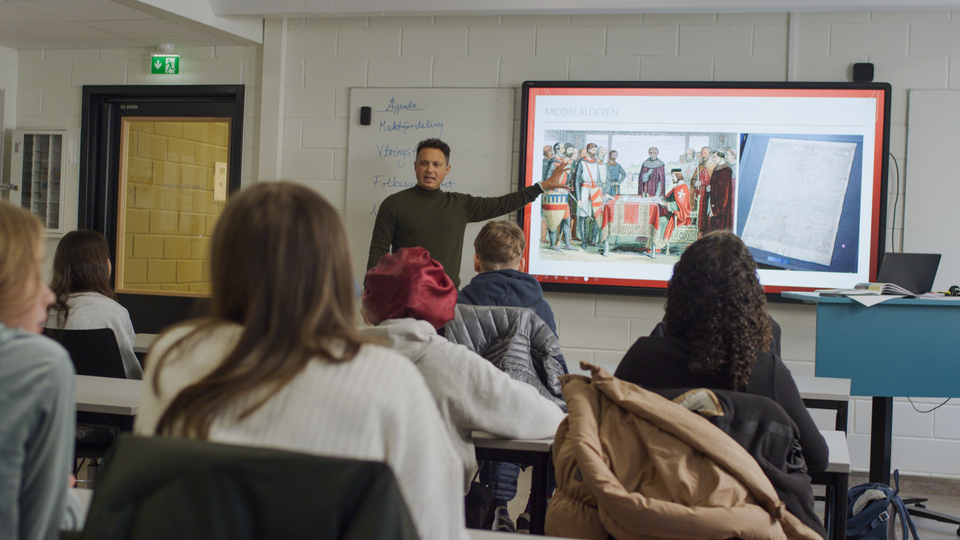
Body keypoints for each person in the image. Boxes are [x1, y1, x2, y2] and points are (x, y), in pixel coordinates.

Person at [135, 182, 468, 540]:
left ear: (223, 263)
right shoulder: (387, 377)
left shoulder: (175, 356)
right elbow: (434, 525)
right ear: (334, 270)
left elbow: (153, 505)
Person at [361, 247, 565, 531]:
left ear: (369, 304)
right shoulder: (453, 363)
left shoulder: (326, 357)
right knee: (481, 498)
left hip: (337, 516)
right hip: (425, 519)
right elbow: (549, 419)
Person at [614, 231, 828, 474]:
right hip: (743, 508)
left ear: (677, 293)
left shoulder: (644, 357)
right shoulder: (766, 372)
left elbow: (607, 434)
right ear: (750, 299)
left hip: (655, 504)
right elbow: (818, 460)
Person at [367, 138, 570, 288]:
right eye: (424, 163)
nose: (430, 169)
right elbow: (378, 252)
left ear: (447, 170)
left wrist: (541, 186)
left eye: (436, 164)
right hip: (403, 300)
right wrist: (371, 294)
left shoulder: (460, 205)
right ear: (415, 166)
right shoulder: (393, 204)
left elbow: (503, 203)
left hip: (446, 303)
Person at [0, 200, 77, 540]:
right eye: (34, 273)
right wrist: (59, 490)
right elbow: (40, 527)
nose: (48, 295)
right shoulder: (40, 364)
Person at [45, 230, 143, 379]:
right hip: (109, 397)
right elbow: (128, 370)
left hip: (54, 394)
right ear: (101, 265)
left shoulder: (43, 310)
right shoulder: (114, 312)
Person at [458, 220, 557, 336]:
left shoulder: (453, 307)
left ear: (476, 262)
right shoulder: (541, 310)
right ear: (521, 266)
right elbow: (552, 354)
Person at [644, 169, 692, 259]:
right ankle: (650, 245)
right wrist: (660, 200)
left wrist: (663, 203)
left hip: (680, 216)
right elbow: (670, 199)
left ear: (678, 176)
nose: (672, 178)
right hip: (673, 215)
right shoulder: (677, 187)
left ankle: (657, 246)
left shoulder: (683, 189)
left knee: (660, 221)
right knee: (657, 220)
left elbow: (678, 207)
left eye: (673, 176)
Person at [542, 143, 576, 252]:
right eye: (562, 148)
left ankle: (567, 244)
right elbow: (547, 180)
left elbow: (567, 178)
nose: (564, 150)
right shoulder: (553, 163)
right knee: (553, 220)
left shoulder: (563, 163)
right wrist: (557, 189)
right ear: (557, 150)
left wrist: (568, 172)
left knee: (566, 219)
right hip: (554, 196)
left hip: (562, 196)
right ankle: (553, 245)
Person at [575, 143, 604, 248]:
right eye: (593, 150)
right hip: (584, 190)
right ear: (588, 150)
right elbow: (577, 181)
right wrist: (578, 198)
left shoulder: (595, 163)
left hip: (595, 190)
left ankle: (592, 240)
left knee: (597, 215)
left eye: (596, 150)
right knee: (583, 216)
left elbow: (599, 179)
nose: (594, 153)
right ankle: (584, 241)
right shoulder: (581, 162)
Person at [707, 149, 736, 232]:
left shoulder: (726, 171)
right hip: (714, 204)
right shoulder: (716, 169)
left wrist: (717, 210)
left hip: (721, 208)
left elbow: (725, 193)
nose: (713, 159)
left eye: (715, 157)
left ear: (721, 156)